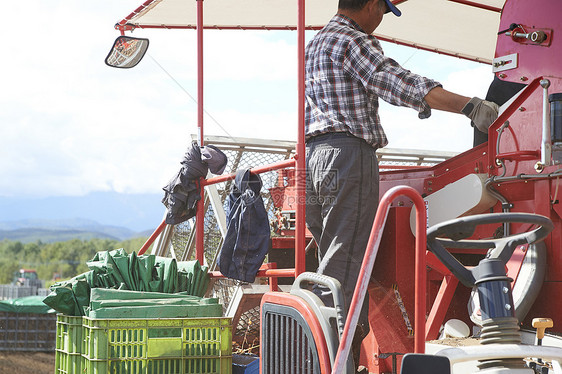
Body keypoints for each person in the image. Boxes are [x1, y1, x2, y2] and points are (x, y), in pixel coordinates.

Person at [304, 0, 499, 367]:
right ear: (373, 5)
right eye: (382, 11)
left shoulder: (316, 42)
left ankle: (315, 348)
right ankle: (333, 361)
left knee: (328, 261)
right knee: (346, 264)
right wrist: (469, 107)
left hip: (314, 158)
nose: (380, 20)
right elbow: (398, 82)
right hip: (348, 156)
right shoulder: (352, 40)